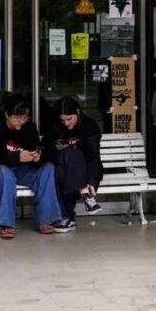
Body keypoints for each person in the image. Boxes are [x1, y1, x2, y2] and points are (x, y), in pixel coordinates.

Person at [0, 93, 64, 239]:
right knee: (4, 172)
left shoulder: (29, 127)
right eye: (17, 117)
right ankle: (7, 224)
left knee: (48, 168)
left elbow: (39, 148)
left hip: (18, 170)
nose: (21, 121)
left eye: (24, 117)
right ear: (7, 114)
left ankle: (45, 220)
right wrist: (17, 157)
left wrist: (38, 156)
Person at [45, 96, 103, 232]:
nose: (66, 123)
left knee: (73, 153)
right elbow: (47, 150)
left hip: (87, 170)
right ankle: (86, 196)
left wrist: (91, 181)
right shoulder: (54, 127)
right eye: (62, 120)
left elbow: (93, 156)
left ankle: (67, 217)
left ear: (78, 112)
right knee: (62, 163)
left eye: (69, 119)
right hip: (61, 169)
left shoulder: (89, 125)